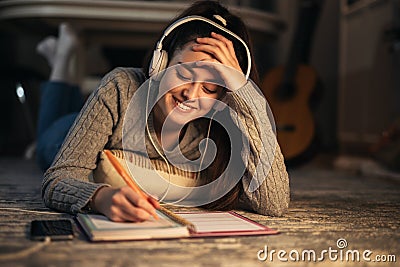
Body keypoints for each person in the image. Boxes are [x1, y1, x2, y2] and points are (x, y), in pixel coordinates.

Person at [39, 0, 290, 222]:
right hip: (70, 132)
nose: (191, 95)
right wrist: (100, 198)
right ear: (161, 63)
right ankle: (62, 61)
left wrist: (245, 92)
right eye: (182, 73)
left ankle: (61, 63)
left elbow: (274, 203)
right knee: (44, 141)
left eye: (211, 88)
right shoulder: (121, 86)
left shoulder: (220, 123)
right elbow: (59, 177)